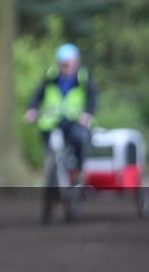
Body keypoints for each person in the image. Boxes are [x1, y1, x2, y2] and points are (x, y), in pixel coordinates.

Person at [23, 43, 96, 185]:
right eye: (63, 65)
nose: (65, 68)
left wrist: (87, 114)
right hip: (53, 122)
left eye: (68, 64)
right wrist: (32, 109)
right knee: (49, 146)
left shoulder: (83, 78)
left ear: (76, 63)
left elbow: (92, 97)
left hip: (75, 122)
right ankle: (51, 171)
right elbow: (38, 94)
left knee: (81, 139)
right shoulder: (51, 76)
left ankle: (79, 172)